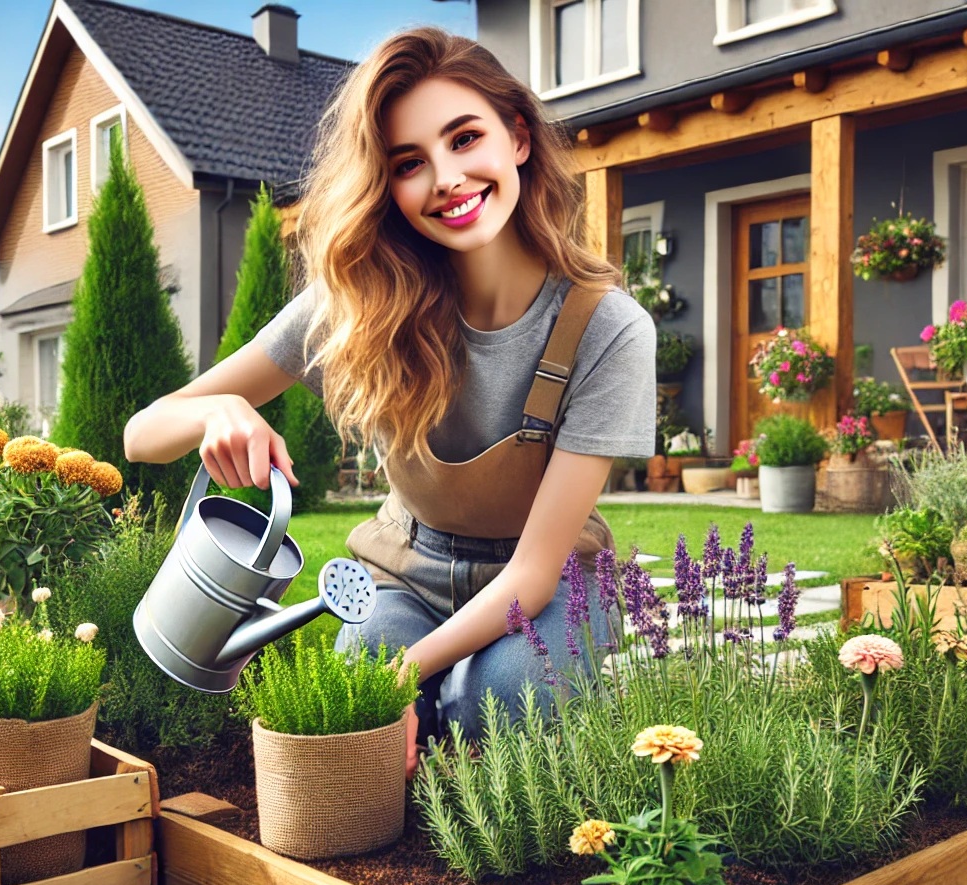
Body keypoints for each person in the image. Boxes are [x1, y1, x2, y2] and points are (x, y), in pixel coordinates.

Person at [123, 28, 656, 773]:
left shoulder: (608, 329)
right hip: (405, 568)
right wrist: (217, 411)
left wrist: (410, 674)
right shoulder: (358, 306)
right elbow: (142, 433)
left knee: (501, 698)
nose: (446, 178)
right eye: (410, 163)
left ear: (519, 139)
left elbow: (533, 574)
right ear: (388, 187)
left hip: (549, 584)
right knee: (352, 702)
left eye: (465, 138)